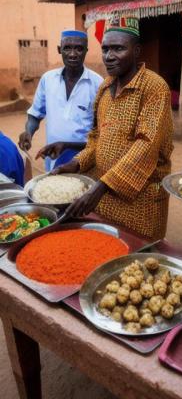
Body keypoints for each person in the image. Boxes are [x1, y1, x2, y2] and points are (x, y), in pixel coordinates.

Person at [53, 17, 173, 240]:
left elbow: (146, 146)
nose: (109, 56)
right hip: (104, 199)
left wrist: (100, 187)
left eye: (118, 49)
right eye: (105, 49)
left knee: (138, 258)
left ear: (137, 51)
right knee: (105, 248)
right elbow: (96, 137)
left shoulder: (154, 88)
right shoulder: (105, 87)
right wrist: (76, 163)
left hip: (141, 202)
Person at [18, 30, 103, 170]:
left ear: (86, 51)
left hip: (85, 162)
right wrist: (28, 131)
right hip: (53, 159)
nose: (73, 54)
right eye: (67, 48)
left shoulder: (98, 83)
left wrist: (68, 146)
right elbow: (35, 115)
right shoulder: (48, 79)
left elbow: (101, 133)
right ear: (59, 50)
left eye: (79, 48)